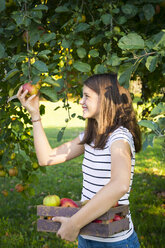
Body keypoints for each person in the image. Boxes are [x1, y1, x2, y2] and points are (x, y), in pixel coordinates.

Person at [17, 73, 141, 248]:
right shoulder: (90, 137)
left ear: (106, 100)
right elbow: (46, 158)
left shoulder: (119, 138)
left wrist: (74, 223)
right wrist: (35, 113)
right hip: (87, 237)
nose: (81, 101)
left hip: (115, 242)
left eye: (87, 96)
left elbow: (120, 185)